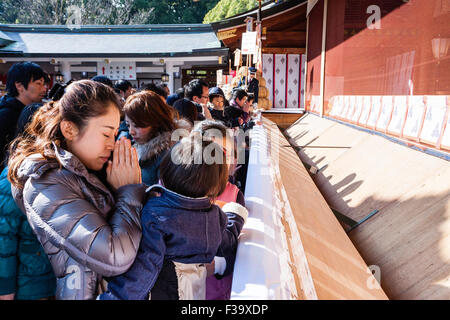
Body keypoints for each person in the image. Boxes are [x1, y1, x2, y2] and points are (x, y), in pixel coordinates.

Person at [7, 80, 145, 300]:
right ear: (69, 129)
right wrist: (129, 192)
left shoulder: (88, 173)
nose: (112, 144)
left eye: (115, 134)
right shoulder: (45, 182)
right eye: (106, 134)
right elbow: (113, 256)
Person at [99, 133, 248, 300]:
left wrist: (116, 297)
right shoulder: (216, 217)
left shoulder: (155, 213)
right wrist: (235, 216)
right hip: (194, 289)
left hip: (164, 290)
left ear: (165, 174)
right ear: (216, 187)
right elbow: (227, 242)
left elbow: (147, 265)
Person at [0, 104, 56, 301]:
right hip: (27, 286)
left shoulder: (60, 173)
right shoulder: (13, 177)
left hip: (50, 282)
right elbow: (4, 239)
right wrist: (5, 288)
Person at [191, 120, 245, 300]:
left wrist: (219, 264)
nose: (217, 161)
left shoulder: (234, 196)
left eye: (224, 153)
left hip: (216, 291)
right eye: (210, 153)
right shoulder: (173, 188)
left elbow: (238, 246)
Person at [123, 90, 191, 186]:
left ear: (156, 121)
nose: (131, 131)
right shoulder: (138, 144)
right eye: (128, 125)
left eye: (137, 125)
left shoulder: (170, 154)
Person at [0, 62, 47, 169]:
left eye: (44, 84)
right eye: (38, 83)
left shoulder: (32, 111)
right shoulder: (6, 115)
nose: (44, 89)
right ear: (19, 86)